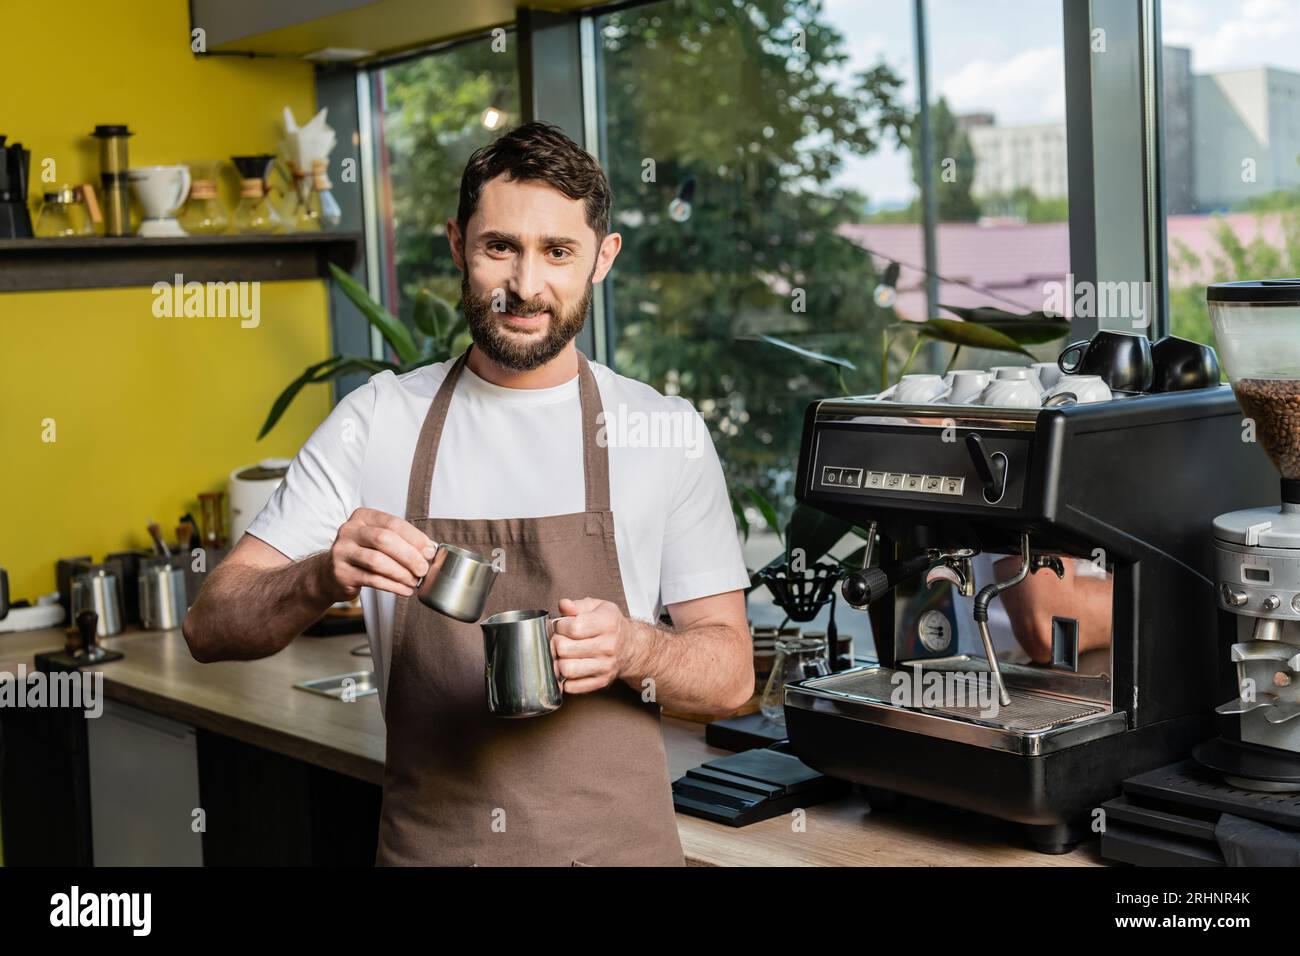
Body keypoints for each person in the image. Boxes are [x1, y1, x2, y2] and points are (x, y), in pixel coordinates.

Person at [182, 122, 754, 866]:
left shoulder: (660, 430)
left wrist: (633, 648)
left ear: (601, 259)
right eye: (499, 247)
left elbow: (732, 675)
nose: (526, 284)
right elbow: (209, 628)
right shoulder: (378, 421)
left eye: (558, 252)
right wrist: (321, 574)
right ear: (457, 245)